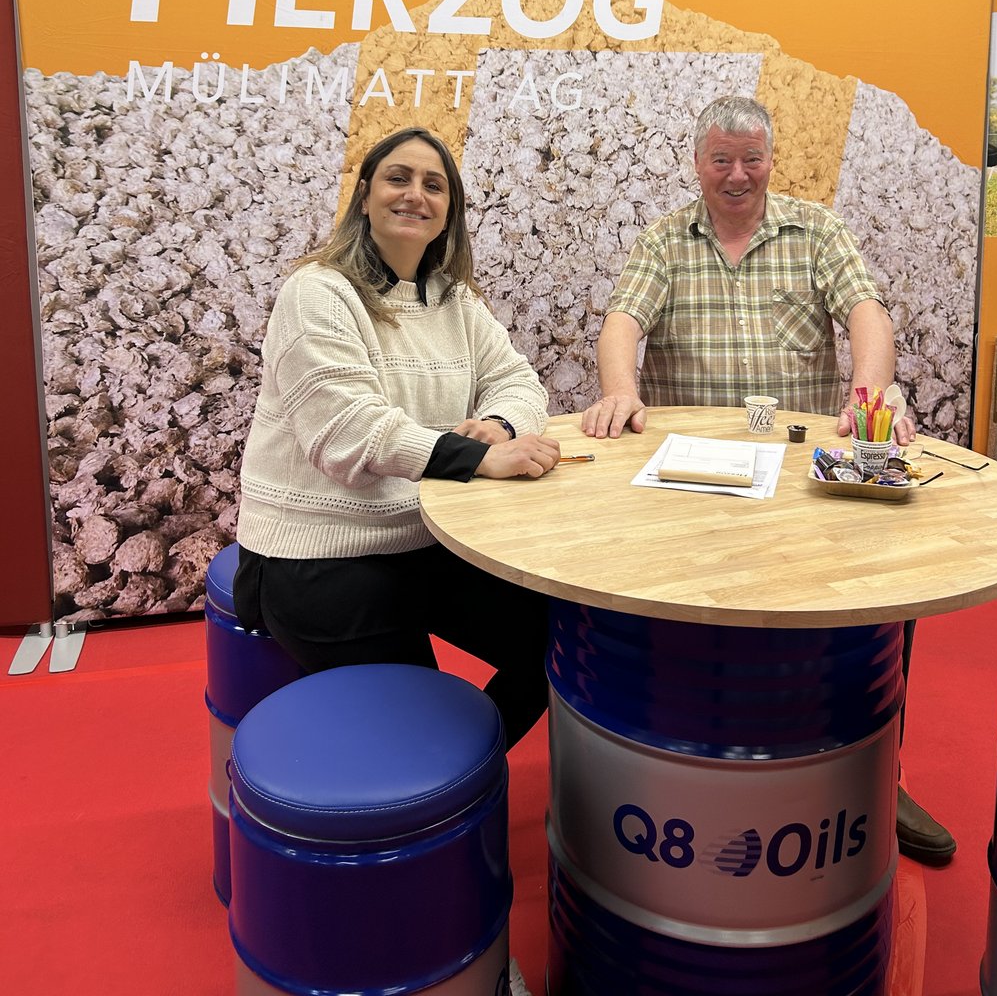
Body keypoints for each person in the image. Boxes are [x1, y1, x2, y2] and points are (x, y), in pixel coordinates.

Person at [580, 94, 955, 865]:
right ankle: (684, 774)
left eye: (751, 159)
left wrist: (871, 392)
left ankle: (877, 776)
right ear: (698, 163)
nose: (737, 175)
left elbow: (867, 312)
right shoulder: (664, 240)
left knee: (881, 593)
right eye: (722, 159)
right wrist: (620, 390)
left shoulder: (815, 230)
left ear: (771, 161)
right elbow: (622, 323)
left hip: (800, 474)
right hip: (691, 480)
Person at [234, 126, 560, 750]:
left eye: (434, 185)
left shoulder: (455, 301)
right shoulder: (317, 291)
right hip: (320, 556)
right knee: (422, 731)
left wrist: (499, 425)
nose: (415, 195)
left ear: (449, 212)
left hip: (426, 540)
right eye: (398, 178)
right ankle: (444, 769)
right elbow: (346, 432)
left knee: (568, 648)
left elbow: (518, 382)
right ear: (364, 197)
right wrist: (477, 457)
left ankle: (465, 764)